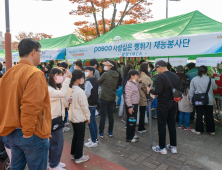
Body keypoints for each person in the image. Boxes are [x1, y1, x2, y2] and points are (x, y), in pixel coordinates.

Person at [0, 38, 51, 170]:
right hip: (31, 133)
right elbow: (31, 105)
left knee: (16, 167)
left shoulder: (9, 73)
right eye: (40, 52)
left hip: (11, 132)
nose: (41, 55)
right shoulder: (35, 73)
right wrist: (28, 132)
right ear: (33, 52)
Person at [147, 60, 180, 155]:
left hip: (163, 104)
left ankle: (162, 148)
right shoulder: (175, 76)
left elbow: (158, 91)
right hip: (173, 103)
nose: (156, 71)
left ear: (160, 67)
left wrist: (150, 90)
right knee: (172, 124)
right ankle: (173, 147)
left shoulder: (160, 77)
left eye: (156, 69)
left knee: (162, 125)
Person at [48, 67, 71, 170]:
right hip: (53, 119)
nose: (61, 77)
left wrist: (66, 101)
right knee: (57, 143)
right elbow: (61, 94)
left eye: (62, 75)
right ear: (52, 76)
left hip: (57, 118)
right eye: (59, 75)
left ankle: (54, 162)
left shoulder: (55, 88)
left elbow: (61, 99)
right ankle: (53, 165)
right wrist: (68, 80)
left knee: (55, 143)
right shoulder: (49, 89)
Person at [69, 69, 90, 164]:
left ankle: (74, 153)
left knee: (76, 135)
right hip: (79, 118)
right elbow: (85, 107)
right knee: (80, 137)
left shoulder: (70, 89)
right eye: (82, 78)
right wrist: (88, 117)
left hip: (72, 117)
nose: (83, 79)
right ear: (78, 79)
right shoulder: (80, 91)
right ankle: (78, 156)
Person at [189, 66, 217, 135]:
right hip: (208, 100)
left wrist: (190, 99)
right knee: (209, 115)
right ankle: (211, 131)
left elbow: (191, 91)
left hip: (198, 100)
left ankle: (198, 130)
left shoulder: (194, 79)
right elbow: (215, 87)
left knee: (199, 115)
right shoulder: (210, 79)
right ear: (206, 71)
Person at [98, 61, 119, 138]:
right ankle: (110, 132)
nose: (105, 66)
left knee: (103, 115)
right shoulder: (117, 74)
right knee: (110, 115)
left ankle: (101, 132)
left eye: (106, 65)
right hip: (112, 97)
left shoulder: (105, 74)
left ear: (110, 66)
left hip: (104, 97)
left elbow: (98, 81)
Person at [125, 70, 142, 142]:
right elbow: (128, 97)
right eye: (137, 76)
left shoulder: (134, 83)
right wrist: (129, 107)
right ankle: (129, 137)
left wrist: (140, 83)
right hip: (132, 106)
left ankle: (132, 134)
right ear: (132, 76)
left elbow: (138, 89)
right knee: (131, 122)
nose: (138, 77)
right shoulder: (129, 85)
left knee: (133, 121)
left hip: (135, 105)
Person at [84, 66, 99, 148]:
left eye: (87, 71)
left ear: (91, 72)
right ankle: (95, 138)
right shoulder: (95, 80)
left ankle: (94, 140)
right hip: (94, 104)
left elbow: (87, 93)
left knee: (90, 123)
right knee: (93, 122)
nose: (85, 72)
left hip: (89, 104)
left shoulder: (89, 81)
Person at [138, 63, 152, 133]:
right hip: (142, 96)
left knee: (138, 112)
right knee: (142, 112)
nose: (149, 68)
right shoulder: (145, 77)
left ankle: (138, 126)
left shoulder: (138, 74)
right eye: (148, 67)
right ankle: (141, 127)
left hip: (137, 95)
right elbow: (148, 88)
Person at [59, 62, 71, 131]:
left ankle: (63, 124)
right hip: (64, 94)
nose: (68, 69)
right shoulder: (64, 76)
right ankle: (63, 126)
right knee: (64, 110)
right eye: (67, 67)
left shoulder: (58, 74)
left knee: (62, 110)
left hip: (61, 94)